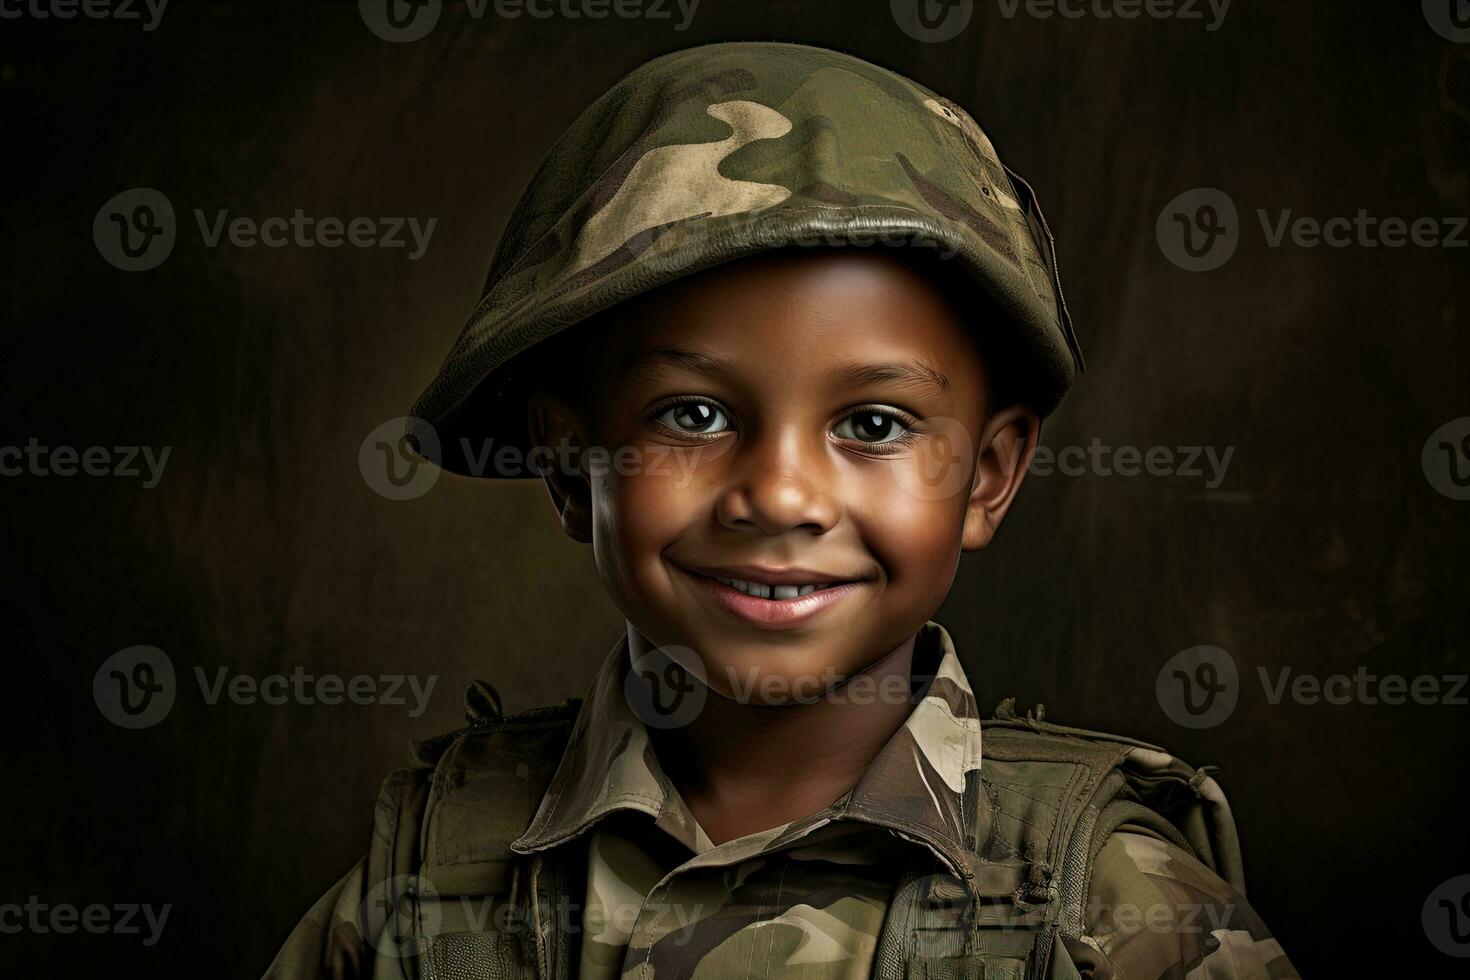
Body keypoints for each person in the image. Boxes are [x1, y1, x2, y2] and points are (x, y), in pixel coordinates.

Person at [266, 42, 1297, 979]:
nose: (782, 494)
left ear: (988, 473)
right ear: (570, 463)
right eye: (696, 411)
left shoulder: (1110, 904)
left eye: (877, 423)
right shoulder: (430, 882)